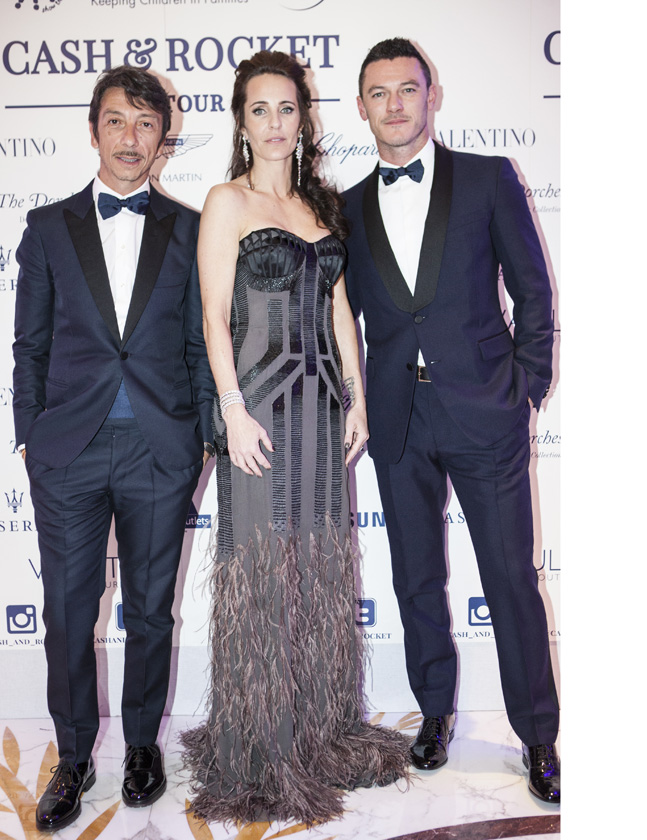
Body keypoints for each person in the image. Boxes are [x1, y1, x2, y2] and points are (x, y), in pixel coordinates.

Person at [178, 50, 411, 826]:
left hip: (321, 411)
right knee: (263, 570)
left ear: (303, 118)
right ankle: (262, 745)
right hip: (260, 411)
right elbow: (214, 316)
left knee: (316, 567)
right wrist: (232, 408)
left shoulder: (321, 205)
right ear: (241, 123)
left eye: (287, 108)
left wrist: (358, 398)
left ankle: (314, 731)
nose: (276, 123)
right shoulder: (227, 201)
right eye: (260, 110)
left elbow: (340, 310)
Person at [340, 38, 561, 804]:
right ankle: (433, 715)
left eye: (407, 89)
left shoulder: (488, 179)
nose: (394, 104)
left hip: (485, 411)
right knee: (416, 579)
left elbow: (534, 292)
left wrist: (527, 387)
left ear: (431, 95)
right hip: (397, 421)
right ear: (361, 106)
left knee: (510, 578)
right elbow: (339, 319)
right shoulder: (346, 210)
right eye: (379, 93)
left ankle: (538, 735)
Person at [11, 65, 215, 832]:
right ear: (93, 130)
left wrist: (200, 441)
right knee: (69, 614)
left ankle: (140, 747)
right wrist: (30, 437)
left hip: (160, 450)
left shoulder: (189, 230)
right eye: (118, 121)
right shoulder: (47, 228)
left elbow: (200, 343)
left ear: (165, 138)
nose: (132, 138)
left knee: (152, 613)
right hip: (67, 452)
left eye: (147, 124)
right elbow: (29, 344)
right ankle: (72, 758)